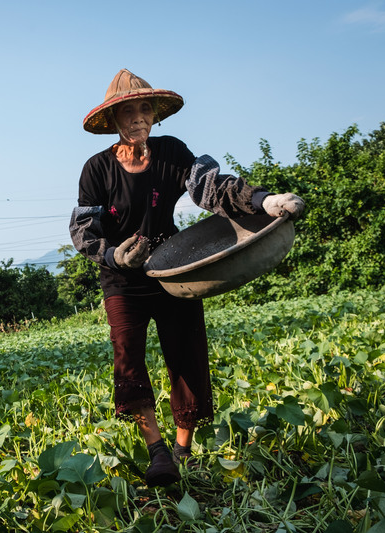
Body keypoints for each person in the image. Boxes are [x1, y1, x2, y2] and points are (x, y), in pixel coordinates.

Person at [69, 69, 304, 488]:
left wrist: (263, 200)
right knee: (128, 356)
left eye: (146, 108)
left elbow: (213, 187)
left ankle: (181, 447)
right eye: (129, 111)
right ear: (115, 119)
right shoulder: (97, 169)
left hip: (167, 267)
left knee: (186, 353)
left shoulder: (172, 153)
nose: (138, 118)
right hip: (123, 279)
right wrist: (112, 255)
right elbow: (83, 230)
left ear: (156, 115)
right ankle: (157, 449)